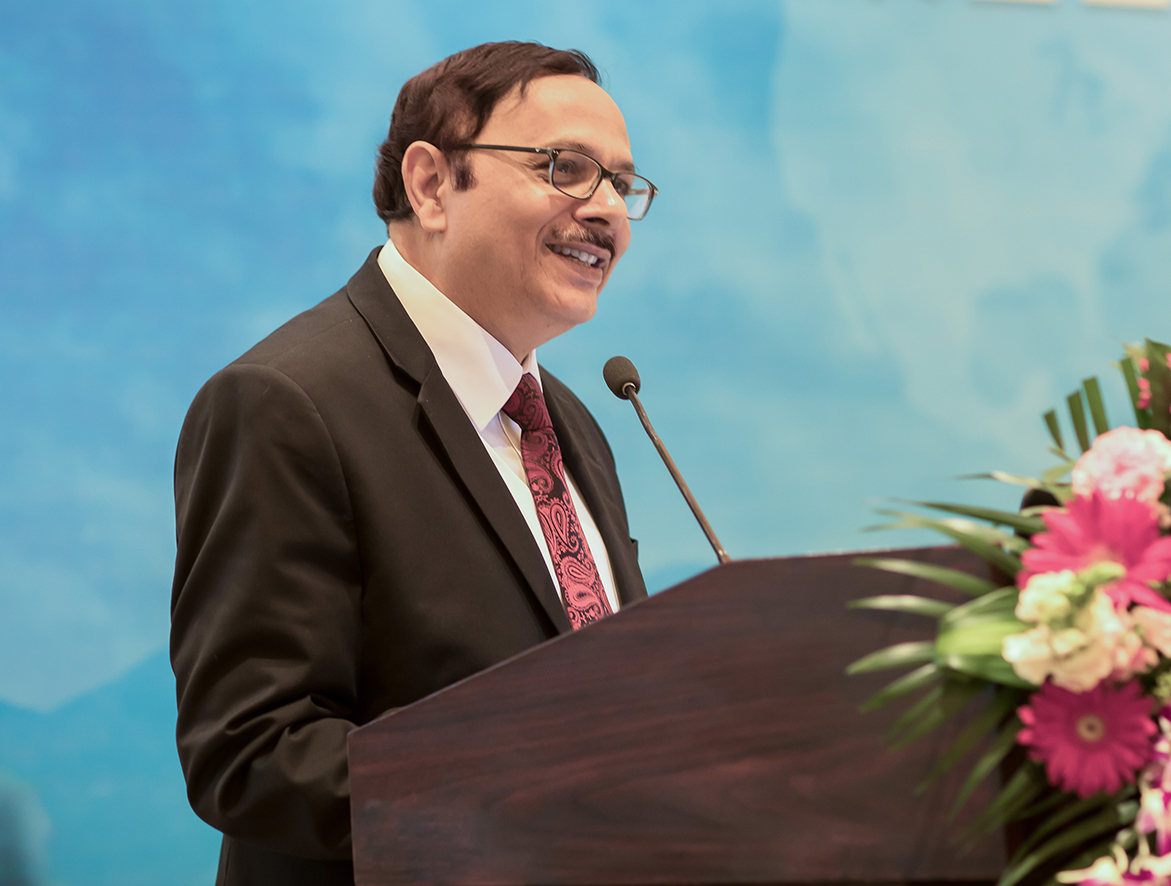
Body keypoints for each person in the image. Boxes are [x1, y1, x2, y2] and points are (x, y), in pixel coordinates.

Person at [170, 42, 654, 886]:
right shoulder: (286, 402)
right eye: (568, 168)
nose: (607, 210)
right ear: (431, 184)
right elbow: (252, 752)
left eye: (620, 182)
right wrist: (538, 799)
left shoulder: (572, 420)